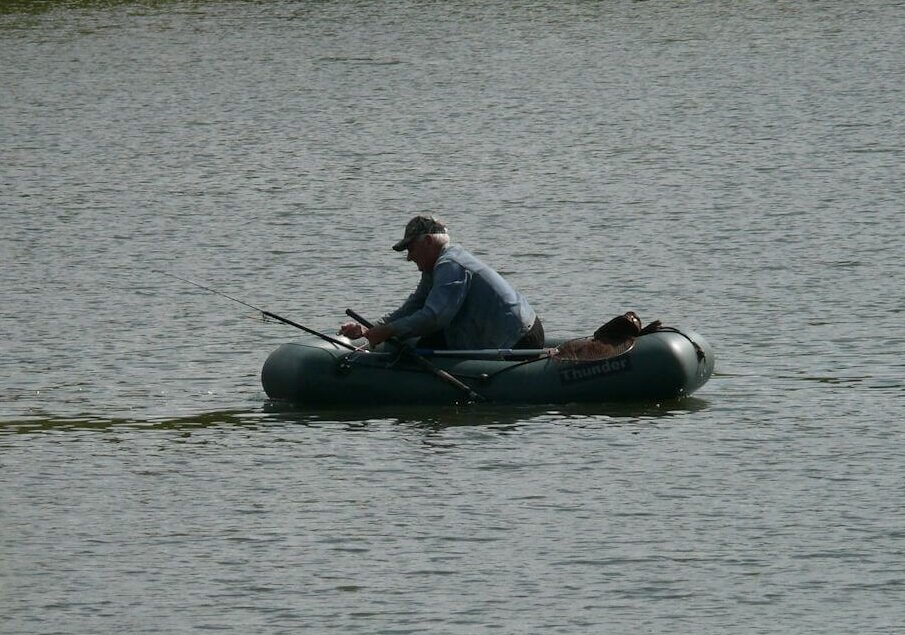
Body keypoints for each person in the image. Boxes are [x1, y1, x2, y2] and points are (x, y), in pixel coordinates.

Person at [339, 215, 543, 350]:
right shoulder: (435, 268)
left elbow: (434, 317)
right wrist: (371, 328)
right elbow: (415, 305)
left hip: (519, 339)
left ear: (428, 242)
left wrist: (389, 331)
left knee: (420, 343)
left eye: (410, 249)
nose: (409, 257)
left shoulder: (450, 265)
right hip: (497, 333)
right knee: (416, 341)